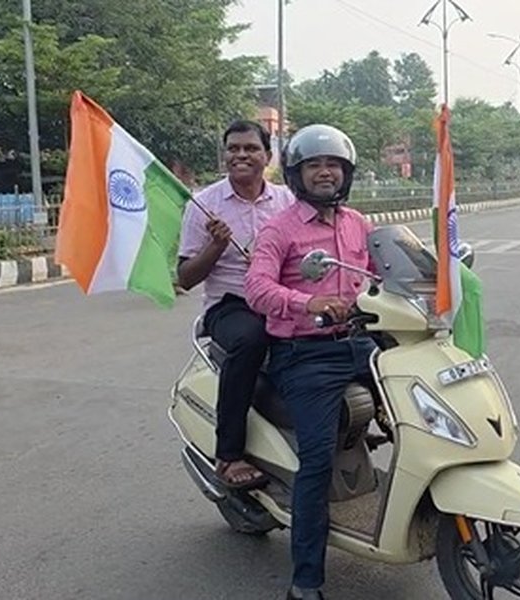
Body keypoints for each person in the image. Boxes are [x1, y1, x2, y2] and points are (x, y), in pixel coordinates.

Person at [245, 124, 378, 600]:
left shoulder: (358, 224)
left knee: (421, 407)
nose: (326, 172)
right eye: (315, 165)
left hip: (359, 344)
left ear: (346, 172)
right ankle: (305, 582)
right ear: (298, 175)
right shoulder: (279, 230)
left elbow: (386, 274)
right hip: (305, 356)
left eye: (334, 165)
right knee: (317, 460)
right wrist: (309, 303)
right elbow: (256, 289)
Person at [177, 120, 295, 488]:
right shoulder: (205, 205)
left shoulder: (287, 201)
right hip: (232, 304)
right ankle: (229, 455)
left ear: (268, 156)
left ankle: (341, 427)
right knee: (250, 340)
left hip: (281, 299)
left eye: (250, 148)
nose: (240, 155)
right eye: (233, 149)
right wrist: (216, 246)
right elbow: (185, 278)